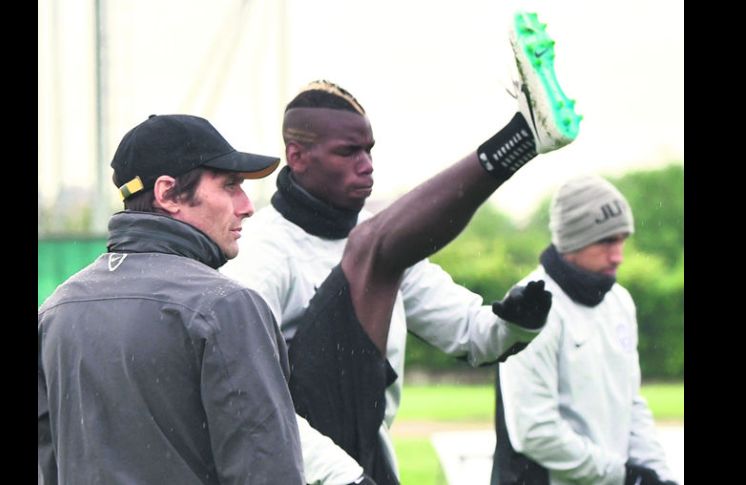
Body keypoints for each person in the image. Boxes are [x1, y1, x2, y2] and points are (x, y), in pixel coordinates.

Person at [220, 12, 580, 484]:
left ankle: (527, 135)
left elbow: (469, 333)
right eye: (349, 153)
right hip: (297, 467)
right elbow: (249, 400)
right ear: (298, 156)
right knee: (371, 246)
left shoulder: (388, 248)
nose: (367, 166)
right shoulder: (264, 252)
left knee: (373, 243)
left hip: (367, 456)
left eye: (370, 150)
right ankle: (521, 138)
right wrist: (334, 476)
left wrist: (513, 323)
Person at [37, 114, 304, 484]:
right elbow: (267, 472)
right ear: (168, 193)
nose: (246, 205)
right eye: (229, 186)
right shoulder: (225, 306)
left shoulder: (56, 310)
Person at [490, 175, 679, 485]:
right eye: (606, 241)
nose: (618, 255)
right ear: (572, 240)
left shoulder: (620, 301)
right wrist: (624, 476)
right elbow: (534, 431)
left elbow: (631, 404)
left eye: (621, 240)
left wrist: (660, 476)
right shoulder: (529, 307)